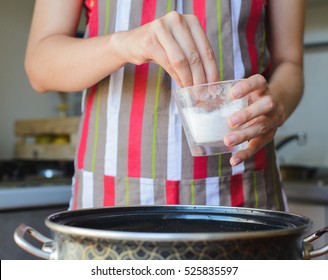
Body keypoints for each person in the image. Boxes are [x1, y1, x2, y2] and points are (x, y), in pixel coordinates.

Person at [25, 0, 305, 211]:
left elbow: (289, 63)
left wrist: (276, 103)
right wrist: (122, 45)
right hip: (111, 200)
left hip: (240, 196)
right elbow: (39, 65)